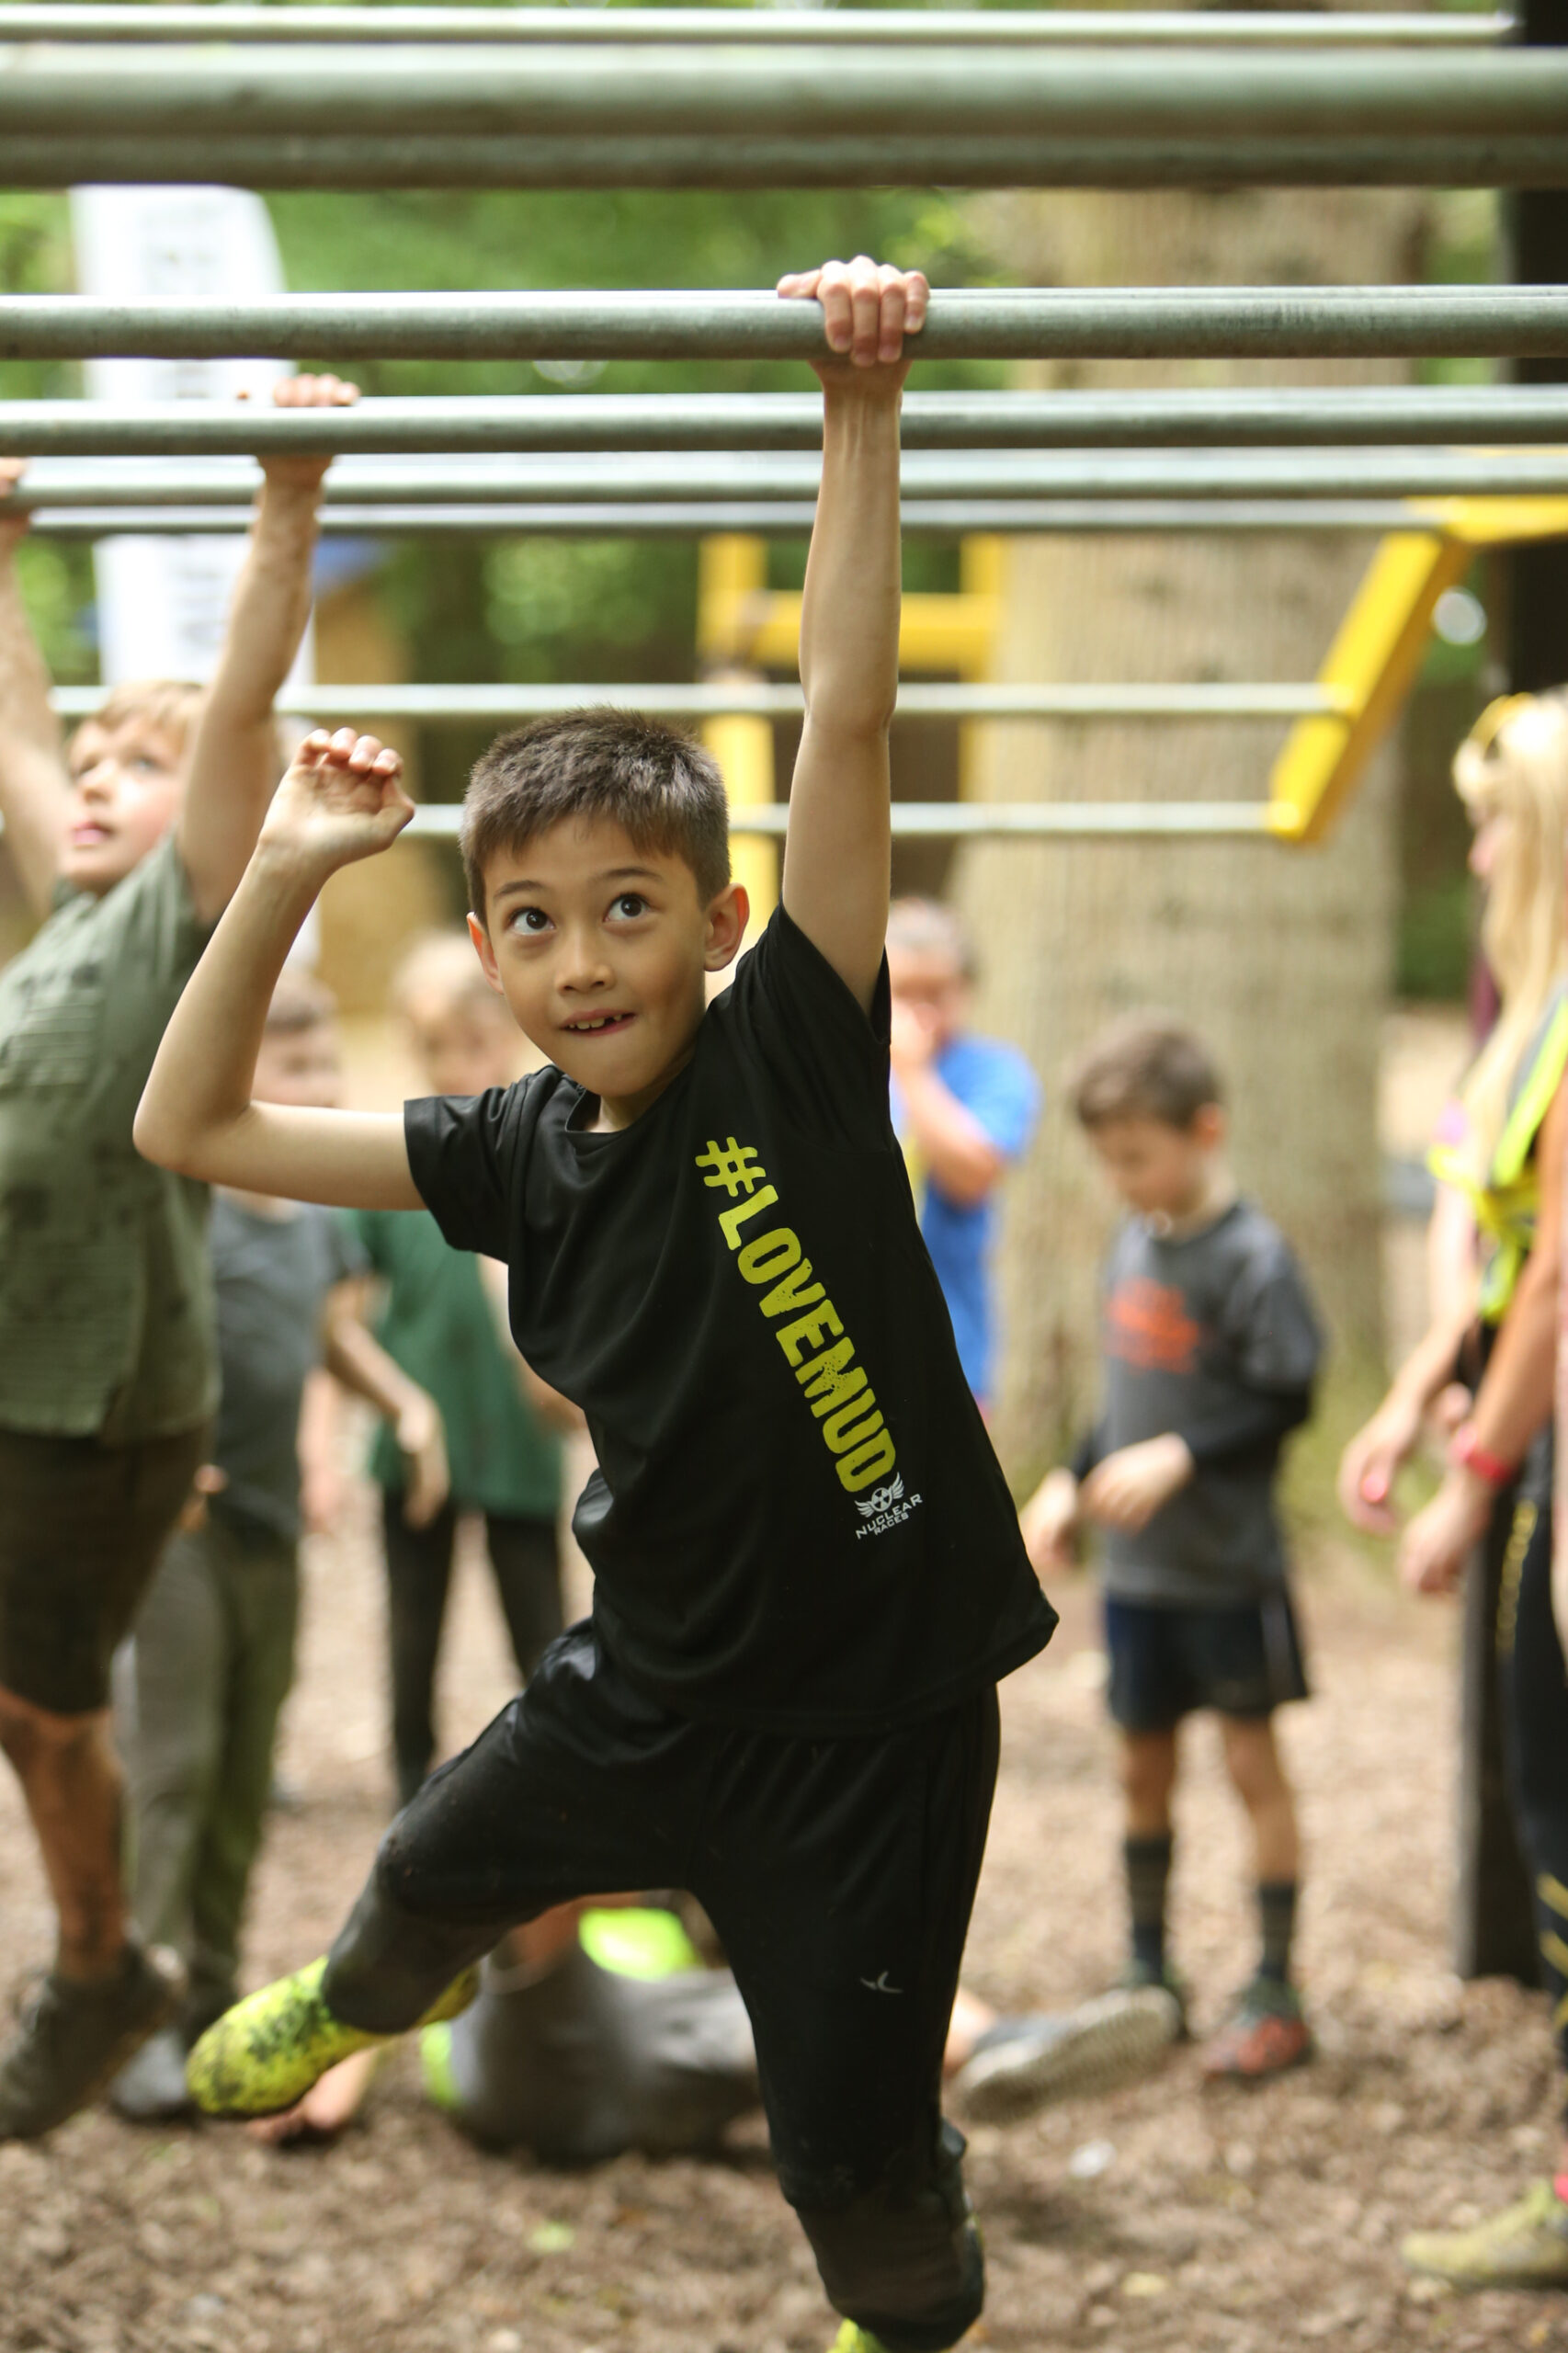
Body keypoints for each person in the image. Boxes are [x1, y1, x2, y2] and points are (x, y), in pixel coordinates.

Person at [134, 256, 1057, 2353]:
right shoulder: (505, 1144)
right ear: (487, 947)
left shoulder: (792, 1044)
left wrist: (857, 404)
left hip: (882, 1720)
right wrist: (285, 864)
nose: (579, 960)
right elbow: (191, 1125)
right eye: (533, 921)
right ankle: (360, 2003)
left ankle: (910, 2250)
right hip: (643, 1681)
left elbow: (844, 712)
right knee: (410, 1891)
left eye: (627, 909)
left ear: (718, 921)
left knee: (858, 2196)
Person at [0, 376, 358, 2139]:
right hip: (25, 1381)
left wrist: (285, 494)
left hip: (98, 1407)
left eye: (131, 771)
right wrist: (2, 554)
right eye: (89, 768)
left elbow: (235, 716)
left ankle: (101, 1967)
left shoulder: (177, 915)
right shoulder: (61, 927)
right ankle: (97, 1965)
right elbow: (19, 734)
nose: (92, 783)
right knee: (35, 1708)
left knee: (45, 1709)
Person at [108, 970, 449, 2122]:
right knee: (177, 1766)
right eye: (295, 1069)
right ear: (244, 1079)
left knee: (247, 1769)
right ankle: (132, 2014)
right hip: (182, 1535)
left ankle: (207, 1989)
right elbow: (129, 1341)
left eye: (328, 1065)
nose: (321, 1086)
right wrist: (156, 1461)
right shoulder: (188, 1210)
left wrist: (404, 1404)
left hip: (269, 1534)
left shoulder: (314, 1222)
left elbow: (325, 1338)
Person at [1338, 691, 1568, 2292]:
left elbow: (1555, 1274)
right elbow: (1505, 1254)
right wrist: (1426, 1382)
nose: (1474, 852)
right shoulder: (1529, 1009)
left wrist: (1473, 1478)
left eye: (1493, 824)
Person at [1019, 1016, 1322, 2080]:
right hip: (1138, 1578)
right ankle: (1147, 1973)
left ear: (1204, 1131)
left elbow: (1285, 1400)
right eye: (1106, 1159)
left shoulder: (1252, 1257)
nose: (1121, 1178)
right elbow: (1120, 1402)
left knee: (1248, 1765)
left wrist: (1180, 1457)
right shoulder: (1131, 1241)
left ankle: (1274, 1988)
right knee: (1139, 1766)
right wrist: (1068, 1479)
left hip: (1227, 1570)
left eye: (1136, 1156)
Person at [250, 1902, 1181, 2156]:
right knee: (515, 1885)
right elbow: (376, 1981)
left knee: (812, 1992)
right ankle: (988, 2044)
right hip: (545, 2036)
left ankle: (999, 2049)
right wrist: (330, 2079)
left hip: (644, 2049)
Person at [354, 930, 567, 1810]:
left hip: (517, 1434)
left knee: (540, 1625)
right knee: (414, 1622)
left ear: (507, 1035)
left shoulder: (547, 1158)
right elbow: (346, 1309)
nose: (457, 1066)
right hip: (419, 1440)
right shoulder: (392, 1165)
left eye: (474, 1044)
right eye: (435, 1047)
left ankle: (564, 1775)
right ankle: (411, 1784)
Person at [885, 897, 1039, 1409]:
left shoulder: (995, 1071)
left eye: (937, 993)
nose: (921, 1012)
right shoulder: (842, 1068)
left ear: (966, 989)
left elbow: (971, 1174)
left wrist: (912, 1071)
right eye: (903, 992)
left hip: (950, 1351)